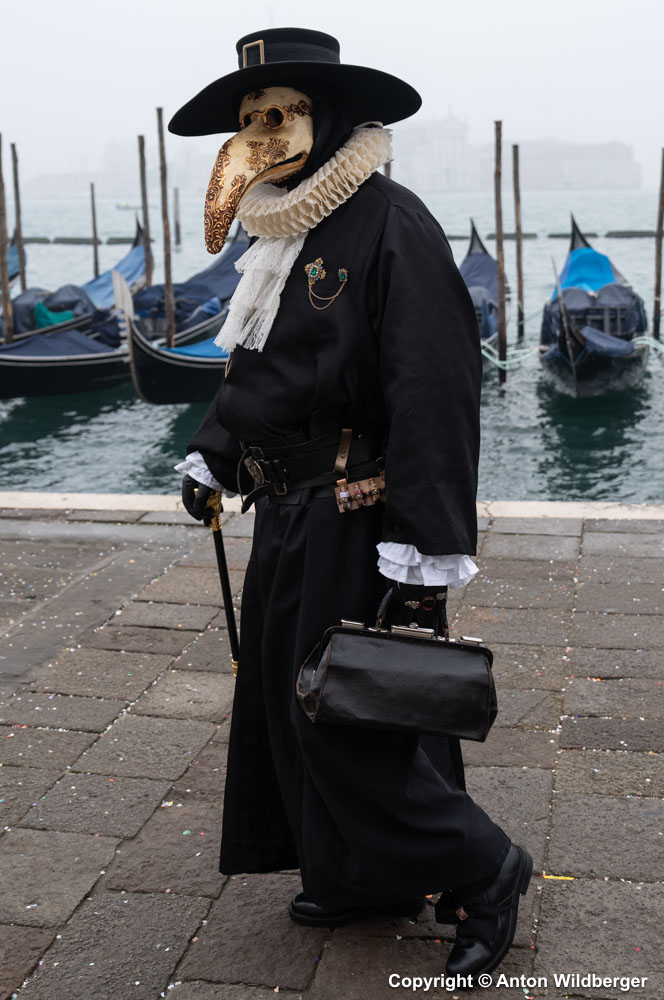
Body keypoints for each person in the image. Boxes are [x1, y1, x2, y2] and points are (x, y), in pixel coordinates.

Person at [172, 28, 532, 978]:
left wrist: (425, 542)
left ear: (327, 116)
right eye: (251, 118)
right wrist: (214, 456)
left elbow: (435, 388)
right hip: (286, 511)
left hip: (357, 511)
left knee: (347, 714)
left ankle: (485, 868)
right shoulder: (279, 231)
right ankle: (363, 874)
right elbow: (256, 371)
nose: (262, 133)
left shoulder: (389, 223)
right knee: (291, 703)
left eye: (281, 113)